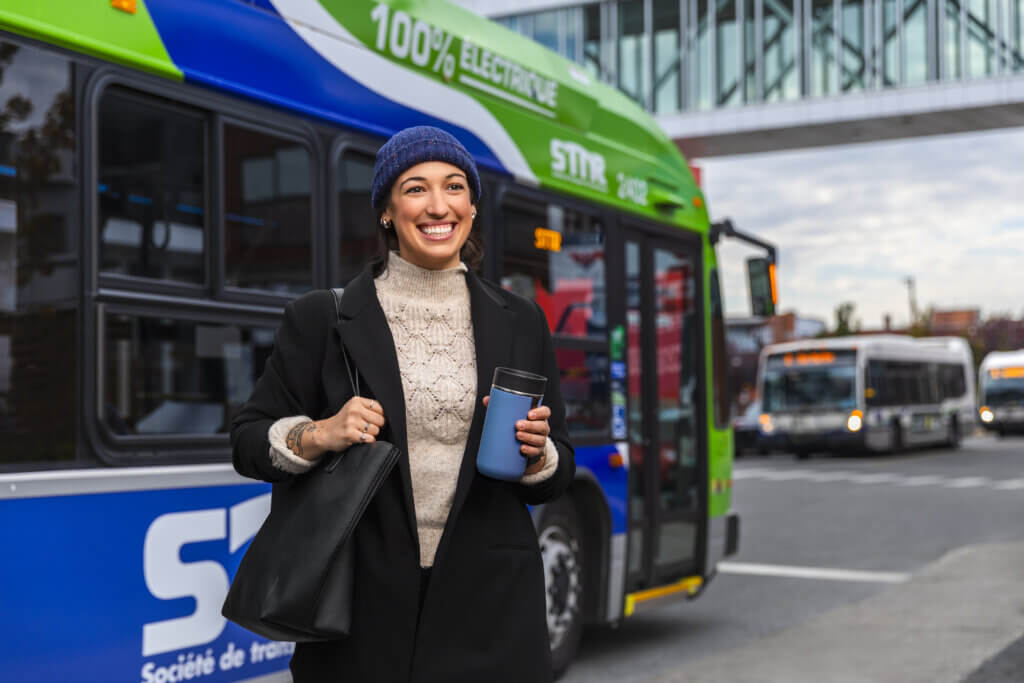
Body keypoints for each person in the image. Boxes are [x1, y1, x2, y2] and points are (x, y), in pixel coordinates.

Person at [230, 125, 575, 682]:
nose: (439, 205)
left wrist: (539, 457)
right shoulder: (322, 318)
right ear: (387, 211)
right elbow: (248, 441)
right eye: (416, 188)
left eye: (455, 186)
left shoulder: (522, 320)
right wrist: (318, 434)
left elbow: (559, 463)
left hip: (490, 605)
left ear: (472, 207)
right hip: (361, 607)